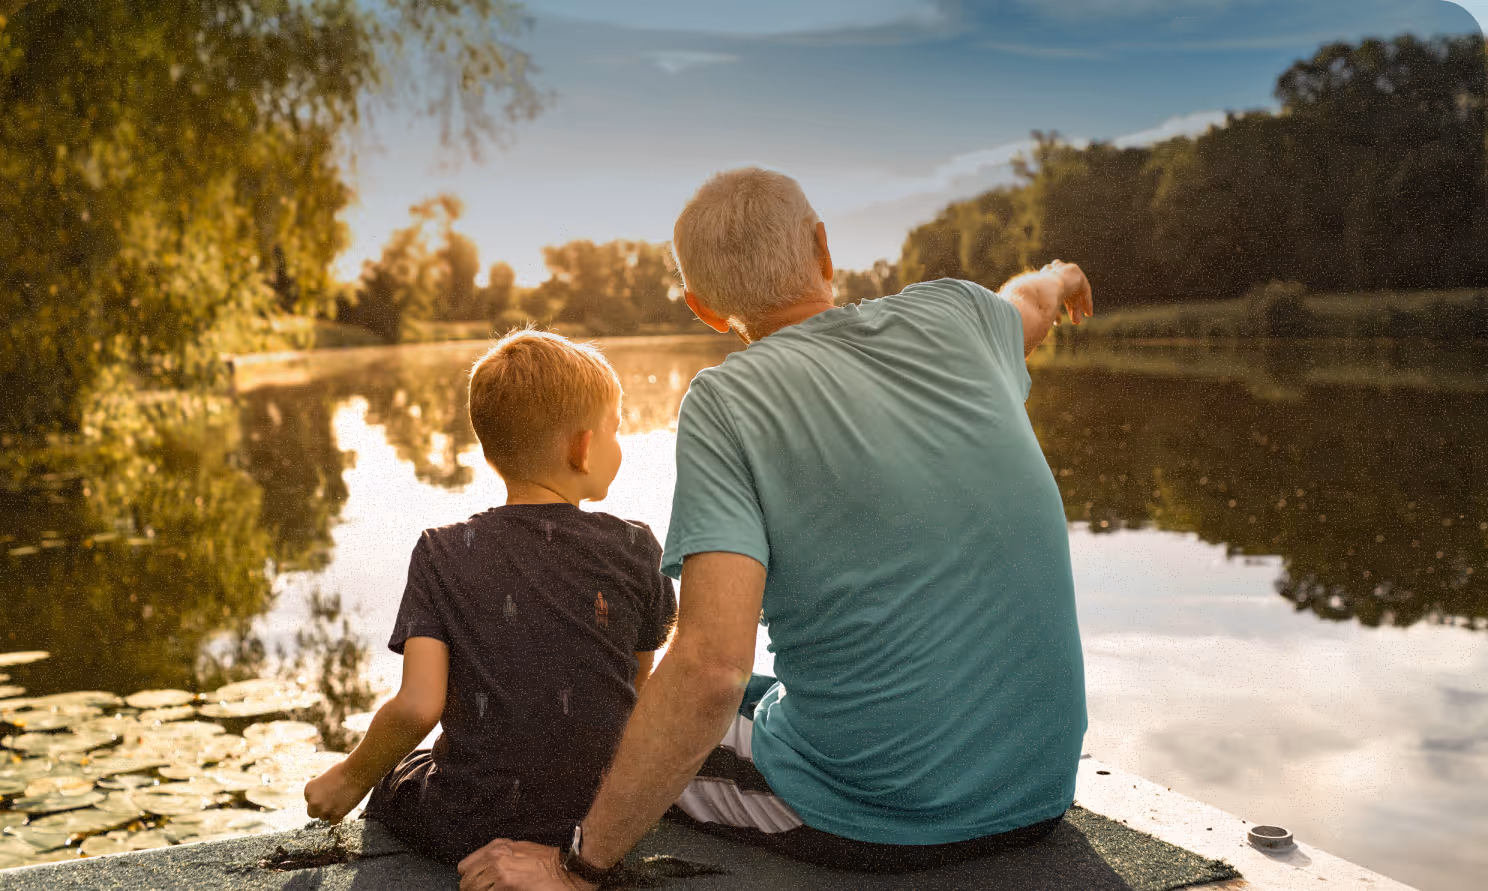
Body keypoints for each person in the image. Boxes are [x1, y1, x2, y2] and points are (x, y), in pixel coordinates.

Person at [458, 168, 1095, 890]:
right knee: (725, 696)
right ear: (824, 249)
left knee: (609, 720)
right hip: (1041, 785)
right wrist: (1060, 273)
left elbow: (710, 665)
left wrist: (579, 866)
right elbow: (1031, 301)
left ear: (703, 307)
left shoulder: (727, 401)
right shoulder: (963, 312)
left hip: (884, 809)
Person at [303, 328, 677, 865]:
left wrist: (350, 777)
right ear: (584, 447)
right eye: (616, 429)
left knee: (393, 778)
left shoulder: (441, 552)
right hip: (602, 819)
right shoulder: (638, 547)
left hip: (467, 823)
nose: (620, 444)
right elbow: (635, 693)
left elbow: (418, 707)